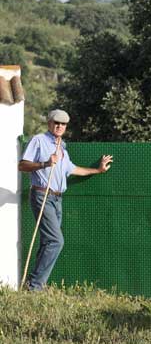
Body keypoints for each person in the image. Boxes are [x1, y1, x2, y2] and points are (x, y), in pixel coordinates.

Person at [18, 109, 113, 291]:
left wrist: (98, 170)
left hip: (57, 199)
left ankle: (34, 283)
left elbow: (73, 169)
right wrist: (45, 163)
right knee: (56, 241)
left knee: (48, 242)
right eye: (56, 123)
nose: (60, 126)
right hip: (42, 195)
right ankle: (35, 286)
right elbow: (22, 165)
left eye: (63, 124)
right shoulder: (39, 140)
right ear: (49, 123)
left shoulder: (62, 147)